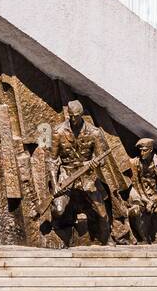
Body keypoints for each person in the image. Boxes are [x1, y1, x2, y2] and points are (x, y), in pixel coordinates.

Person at [47, 100, 115, 245]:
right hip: (67, 174)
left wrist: (95, 163)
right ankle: (60, 236)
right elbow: (52, 160)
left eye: (76, 115)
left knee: (102, 213)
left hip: (87, 176)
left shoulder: (94, 132)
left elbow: (101, 160)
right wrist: (54, 183)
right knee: (58, 209)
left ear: (82, 114)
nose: (73, 119)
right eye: (70, 116)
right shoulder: (58, 132)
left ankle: (106, 237)